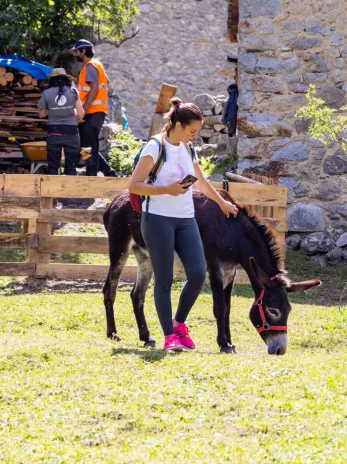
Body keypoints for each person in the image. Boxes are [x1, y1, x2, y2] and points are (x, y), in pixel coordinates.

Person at [128, 98, 238, 353]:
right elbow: (134, 185)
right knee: (164, 279)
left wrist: (221, 202)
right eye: (192, 131)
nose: (195, 136)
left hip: (186, 219)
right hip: (157, 218)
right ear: (177, 124)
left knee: (199, 273)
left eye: (197, 131)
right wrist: (168, 189)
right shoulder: (155, 147)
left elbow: (199, 180)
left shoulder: (189, 148)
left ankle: (179, 324)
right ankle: (169, 337)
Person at [72, 39, 118, 177]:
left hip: (92, 111)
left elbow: (94, 89)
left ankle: (92, 174)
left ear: (83, 51)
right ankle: (108, 172)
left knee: (89, 146)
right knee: (87, 144)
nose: (75, 54)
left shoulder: (90, 66)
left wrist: (84, 109)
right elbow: (106, 82)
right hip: (97, 111)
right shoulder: (97, 65)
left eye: (76, 51)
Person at [37, 68, 85, 175]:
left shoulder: (47, 93)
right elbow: (81, 114)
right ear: (66, 79)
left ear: (52, 80)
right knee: (71, 166)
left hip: (54, 131)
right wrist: (71, 112)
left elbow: (41, 114)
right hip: (71, 132)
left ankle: (52, 190)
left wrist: (52, 109)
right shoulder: (73, 92)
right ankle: (68, 190)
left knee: (53, 166)